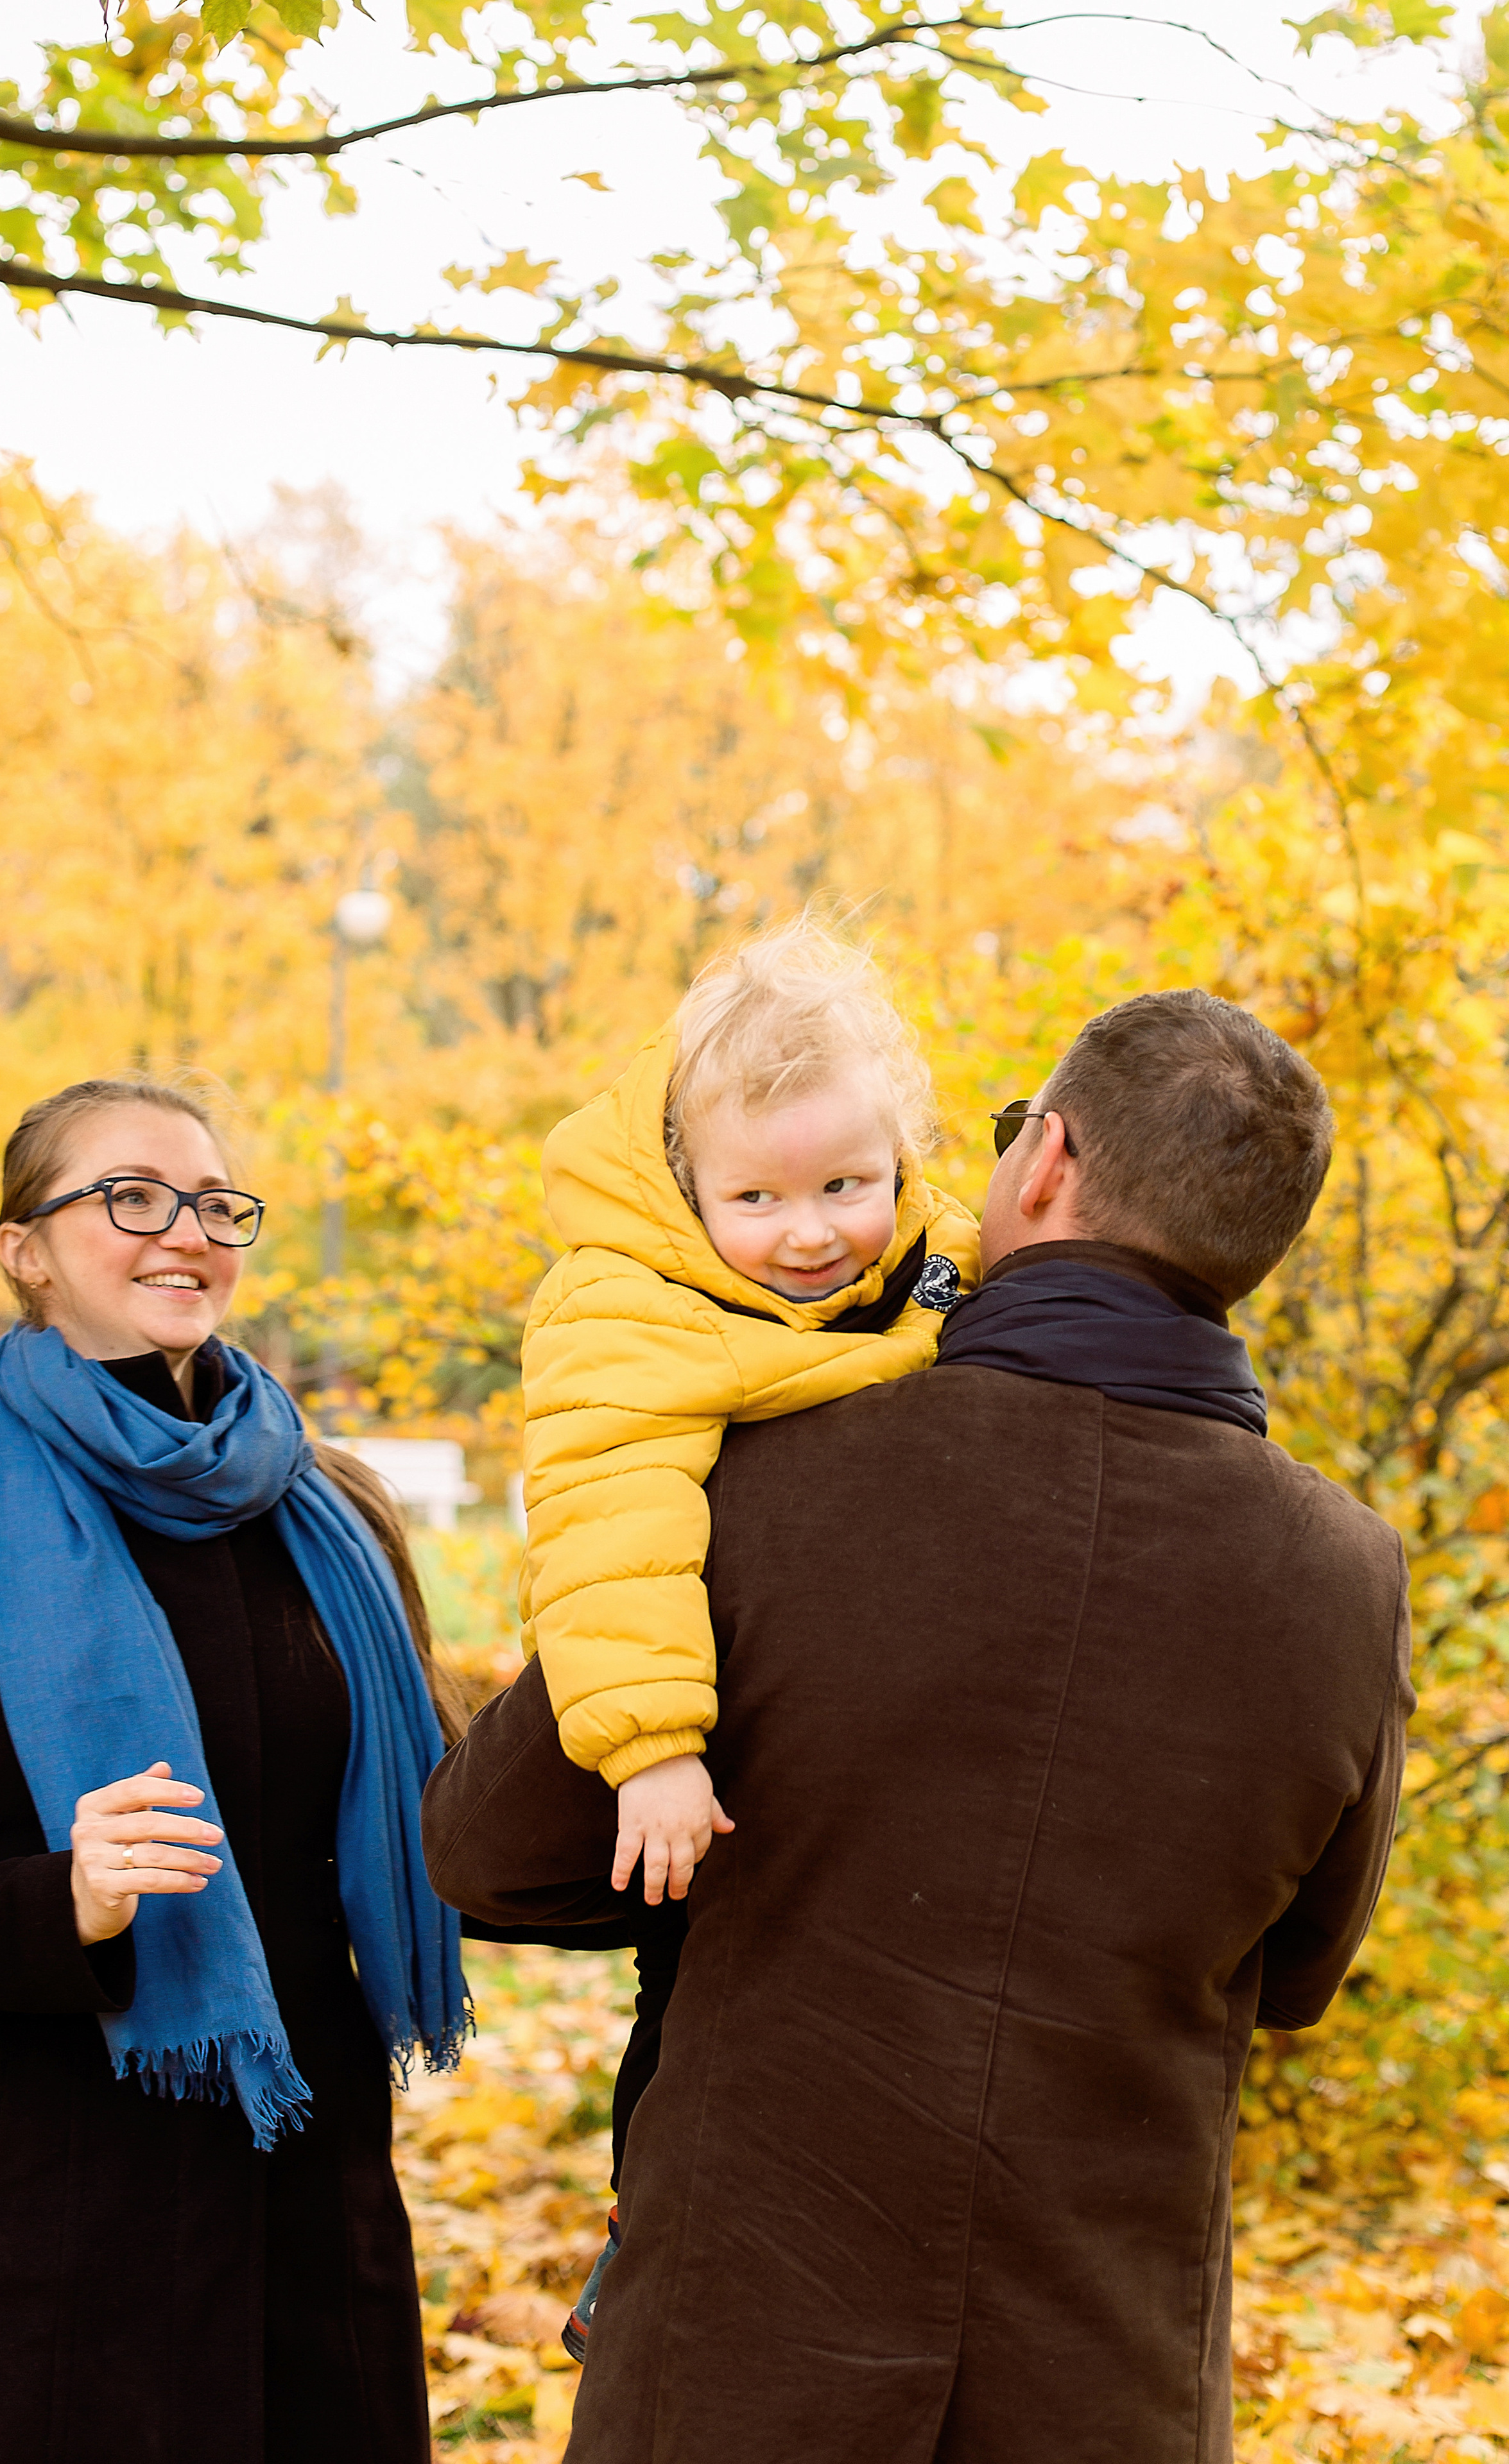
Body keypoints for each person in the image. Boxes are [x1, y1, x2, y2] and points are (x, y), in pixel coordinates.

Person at [425, 988, 1415, 2464]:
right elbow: (1295, 1972)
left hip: (743, 2358)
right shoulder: (1347, 1581)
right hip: (1103, 2377)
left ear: (1045, 1163)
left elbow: (489, 1855)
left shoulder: (754, 1478)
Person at [0, 1075, 467, 2464]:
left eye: (214, 1205)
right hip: (44, 2183)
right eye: (128, 1198)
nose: (182, 1233)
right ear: (26, 1250)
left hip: (305, 2176)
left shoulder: (334, 1513)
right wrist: (59, 1902)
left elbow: (438, 1817)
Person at [513, 919, 979, 2347]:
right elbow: (604, 1522)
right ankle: (638, 2247)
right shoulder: (623, 1305)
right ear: (682, 1188)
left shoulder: (938, 1262)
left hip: (877, 1747)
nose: (809, 1233)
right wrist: (651, 1746)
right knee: (694, 2001)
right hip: (706, 1759)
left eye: (846, 1183)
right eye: (757, 1198)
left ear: (898, 1157)